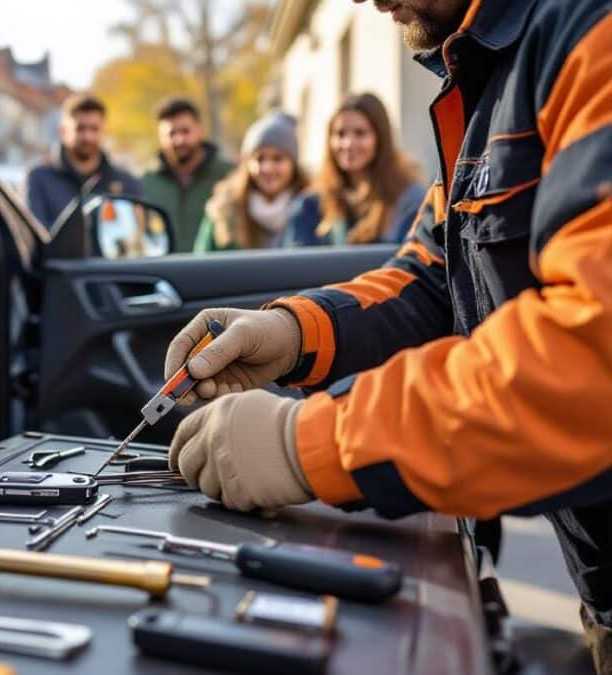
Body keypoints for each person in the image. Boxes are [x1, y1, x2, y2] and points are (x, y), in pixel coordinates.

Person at [164, 0, 612, 669]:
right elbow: (434, 275)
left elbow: (590, 363)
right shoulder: (490, 72)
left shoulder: (591, 35)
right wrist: (291, 331)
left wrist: (309, 442)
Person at [284, 92, 425, 247]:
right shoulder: (310, 206)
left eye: (360, 133)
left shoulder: (408, 201)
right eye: (340, 134)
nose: (348, 144)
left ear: (380, 138)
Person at [194, 113, 309, 251]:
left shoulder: (312, 210)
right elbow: (201, 258)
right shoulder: (223, 211)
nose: (267, 168)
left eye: (277, 159)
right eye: (260, 158)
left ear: (293, 163)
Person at [25, 93, 141, 230]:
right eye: (80, 128)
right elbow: (33, 234)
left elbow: (139, 234)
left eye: (94, 129)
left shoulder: (126, 183)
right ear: (63, 131)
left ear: (104, 132)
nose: (88, 137)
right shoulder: (39, 178)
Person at [140, 96, 234, 252]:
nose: (179, 140)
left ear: (200, 130)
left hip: (217, 265)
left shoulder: (229, 176)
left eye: (185, 131)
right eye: (171, 133)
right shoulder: (146, 182)